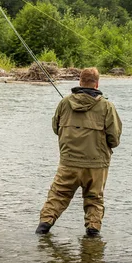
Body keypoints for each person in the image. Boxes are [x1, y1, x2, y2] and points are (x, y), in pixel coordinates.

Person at [36, 67, 122, 236]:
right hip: (96, 165)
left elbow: (55, 128)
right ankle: (92, 239)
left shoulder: (65, 103)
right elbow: (114, 139)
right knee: (94, 199)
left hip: (68, 162)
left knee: (58, 196)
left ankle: (42, 230)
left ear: (80, 82)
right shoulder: (107, 106)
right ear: (97, 84)